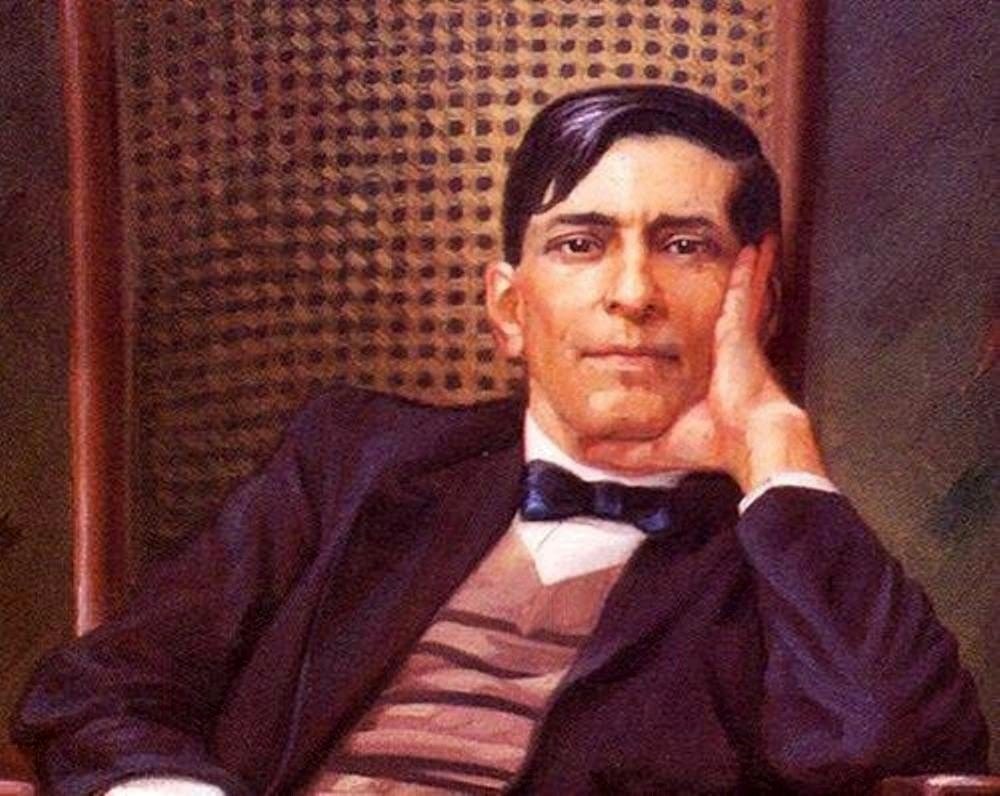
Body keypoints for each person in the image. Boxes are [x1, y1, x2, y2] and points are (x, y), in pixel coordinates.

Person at [12, 85, 988, 795]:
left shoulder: (785, 558)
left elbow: (903, 747)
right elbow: (99, 690)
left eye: (685, 245)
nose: (632, 292)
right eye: (580, 243)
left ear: (755, 296)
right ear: (510, 307)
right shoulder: (353, 459)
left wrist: (775, 443)